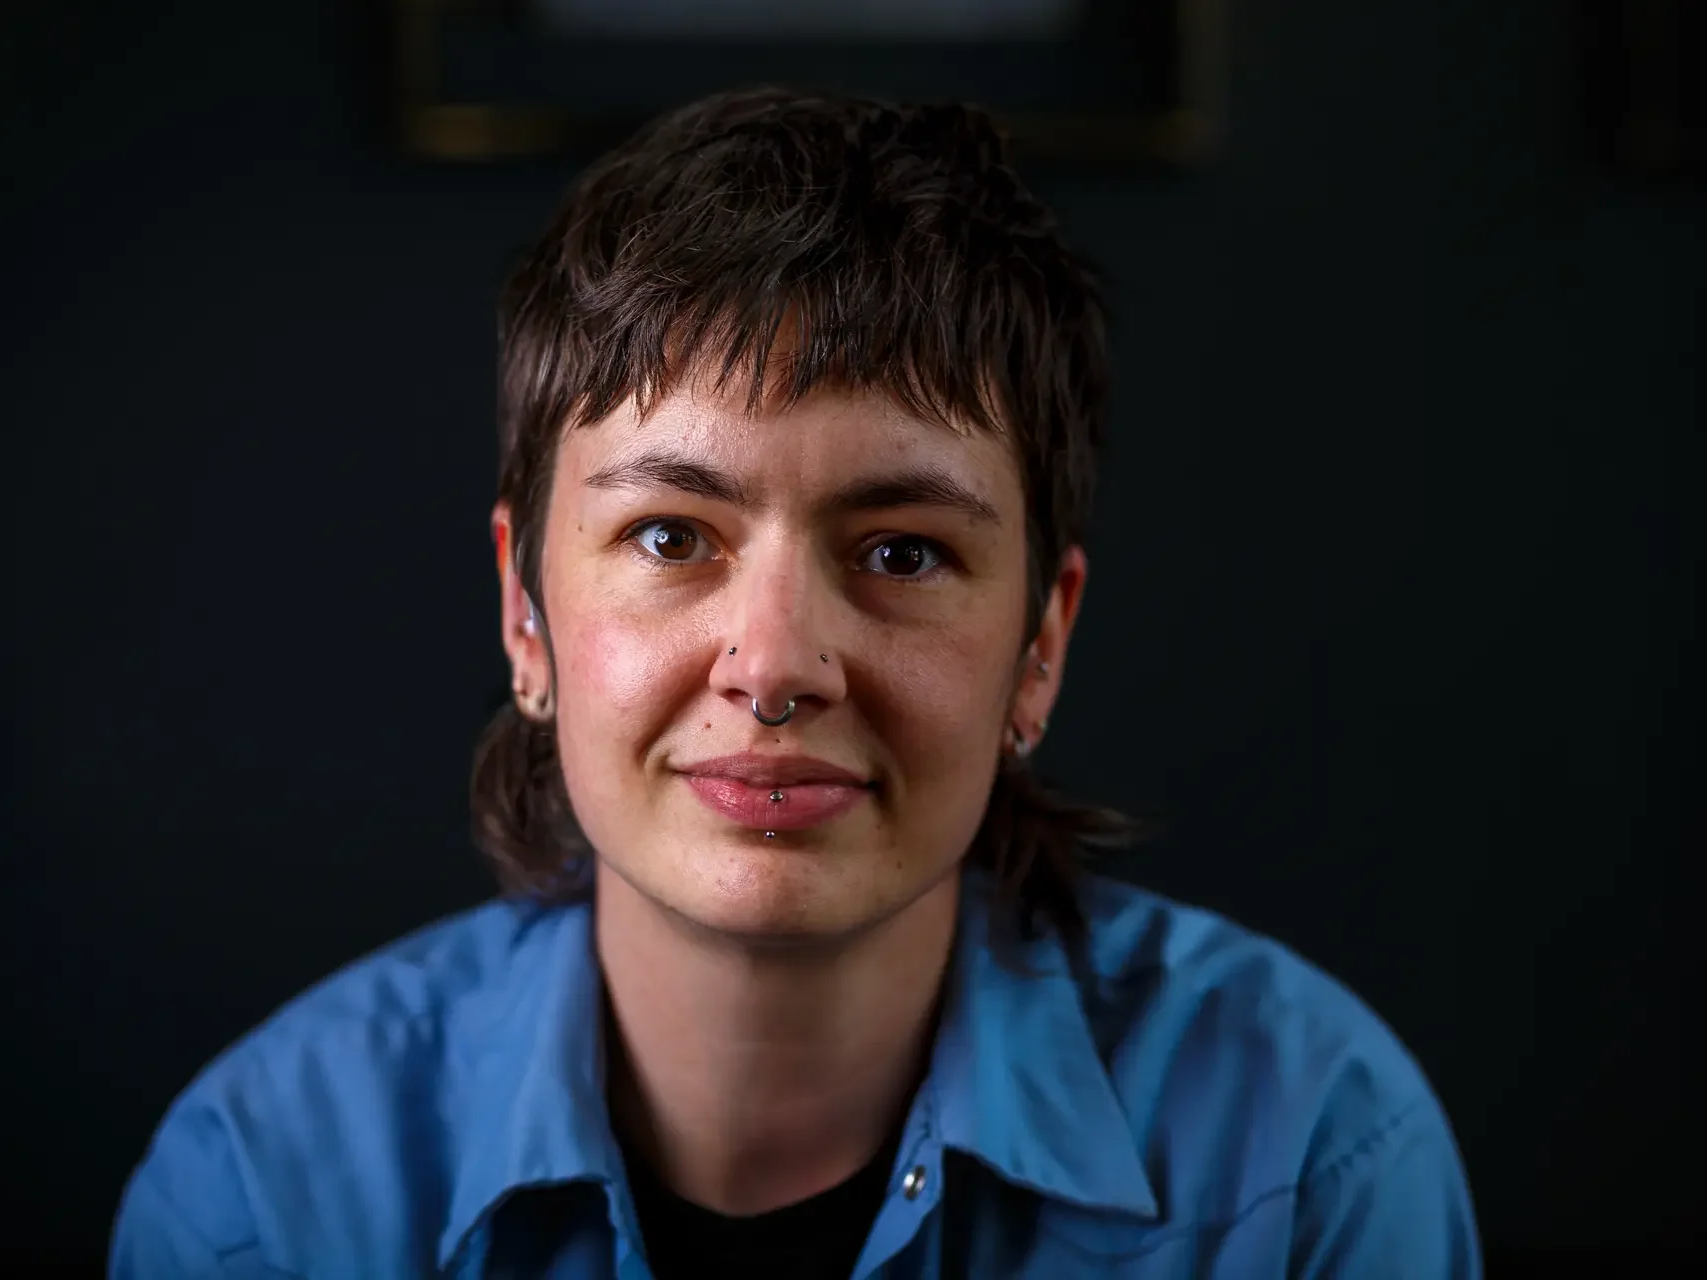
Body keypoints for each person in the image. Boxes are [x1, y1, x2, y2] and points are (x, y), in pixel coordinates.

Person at [109, 88, 1480, 1279]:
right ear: (525, 615)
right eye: (669, 538)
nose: (771, 667)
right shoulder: (261, 1197)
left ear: (1040, 645)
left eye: (901, 550)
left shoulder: (1312, 1158)